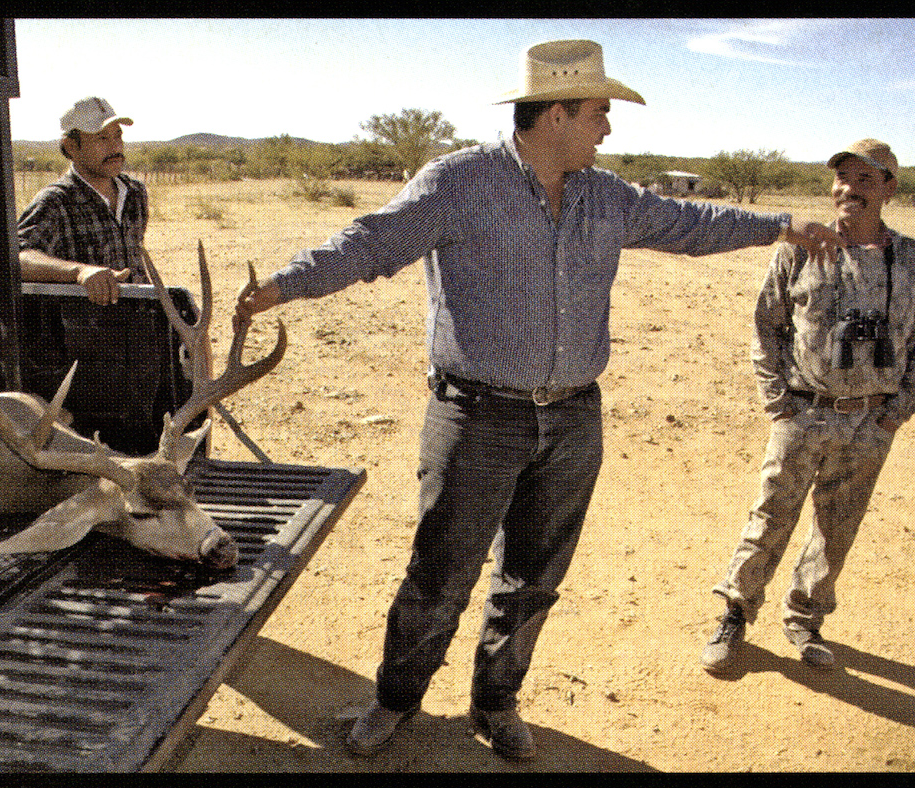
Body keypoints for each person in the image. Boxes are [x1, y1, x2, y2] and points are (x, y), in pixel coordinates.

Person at [235, 39, 840, 760]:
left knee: (535, 577)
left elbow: (693, 225)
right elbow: (369, 243)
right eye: (598, 114)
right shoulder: (458, 183)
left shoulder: (606, 195)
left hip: (575, 418)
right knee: (442, 569)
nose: (608, 129)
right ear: (556, 114)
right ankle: (395, 699)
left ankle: (496, 702)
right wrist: (281, 285)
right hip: (477, 417)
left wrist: (778, 226)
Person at [699, 139, 915, 674]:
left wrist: (897, 411)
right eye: (841, 178)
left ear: (889, 188)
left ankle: (805, 619)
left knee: (838, 527)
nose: (848, 189)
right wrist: (778, 401)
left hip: (871, 419)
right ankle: (736, 615)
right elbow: (766, 325)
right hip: (803, 412)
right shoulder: (800, 247)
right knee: (770, 518)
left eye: (863, 179)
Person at [17, 96, 149, 306]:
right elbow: (15, 259)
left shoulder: (134, 192)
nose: (115, 148)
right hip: (85, 325)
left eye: (118, 136)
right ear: (70, 147)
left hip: (140, 317)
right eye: (102, 138)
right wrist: (80, 271)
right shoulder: (56, 201)